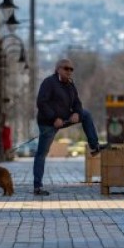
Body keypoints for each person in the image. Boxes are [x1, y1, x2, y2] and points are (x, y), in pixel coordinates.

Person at [33, 58, 107, 195]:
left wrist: (77, 113)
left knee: (86, 114)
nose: (69, 71)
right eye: (66, 68)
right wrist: (54, 118)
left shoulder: (71, 85)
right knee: (41, 153)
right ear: (58, 69)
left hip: (65, 118)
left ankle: (94, 146)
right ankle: (37, 186)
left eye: (71, 69)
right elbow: (41, 103)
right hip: (48, 122)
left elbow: (77, 103)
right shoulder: (49, 82)